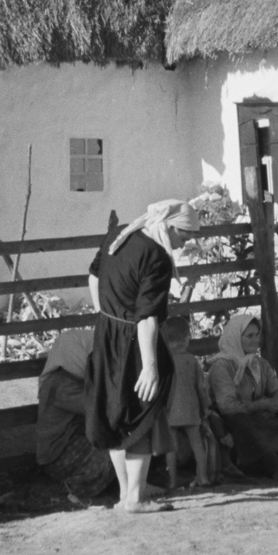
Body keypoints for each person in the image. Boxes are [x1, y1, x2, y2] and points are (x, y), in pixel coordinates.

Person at [85, 198, 200, 512]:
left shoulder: (119, 234)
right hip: (135, 340)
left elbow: (93, 277)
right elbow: (147, 318)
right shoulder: (156, 256)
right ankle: (134, 498)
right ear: (168, 224)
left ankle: (126, 492)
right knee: (142, 412)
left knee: (115, 412)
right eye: (183, 235)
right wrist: (150, 366)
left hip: (107, 332)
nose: (183, 242)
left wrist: (106, 316)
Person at [208, 312, 278, 483]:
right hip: (235, 421)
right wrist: (260, 405)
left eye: (257, 335)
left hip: (259, 417)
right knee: (241, 422)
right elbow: (226, 407)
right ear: (235, 338)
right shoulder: (222, 366)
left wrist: (277, 404)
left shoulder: (260, 364)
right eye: (249, 336)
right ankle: (277, 465)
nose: (256, 340)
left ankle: (277, 460)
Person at [34, 326, 117, 504]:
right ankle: (75, 487)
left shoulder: (72, 378)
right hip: (57, 457)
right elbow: (101, 410)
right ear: (76, 354)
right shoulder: (62, 386)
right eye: (91, 356)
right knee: (112, 450)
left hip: (70, 447)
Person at [161, 315, 217, 489]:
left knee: (170, 448)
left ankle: (171, 480)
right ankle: (203, 477)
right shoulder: (192, 361)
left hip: (170, 411)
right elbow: (201, 388)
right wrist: (206, 406)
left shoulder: (163, 362)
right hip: (191, 409)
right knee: (197, 444)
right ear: (187, 339)